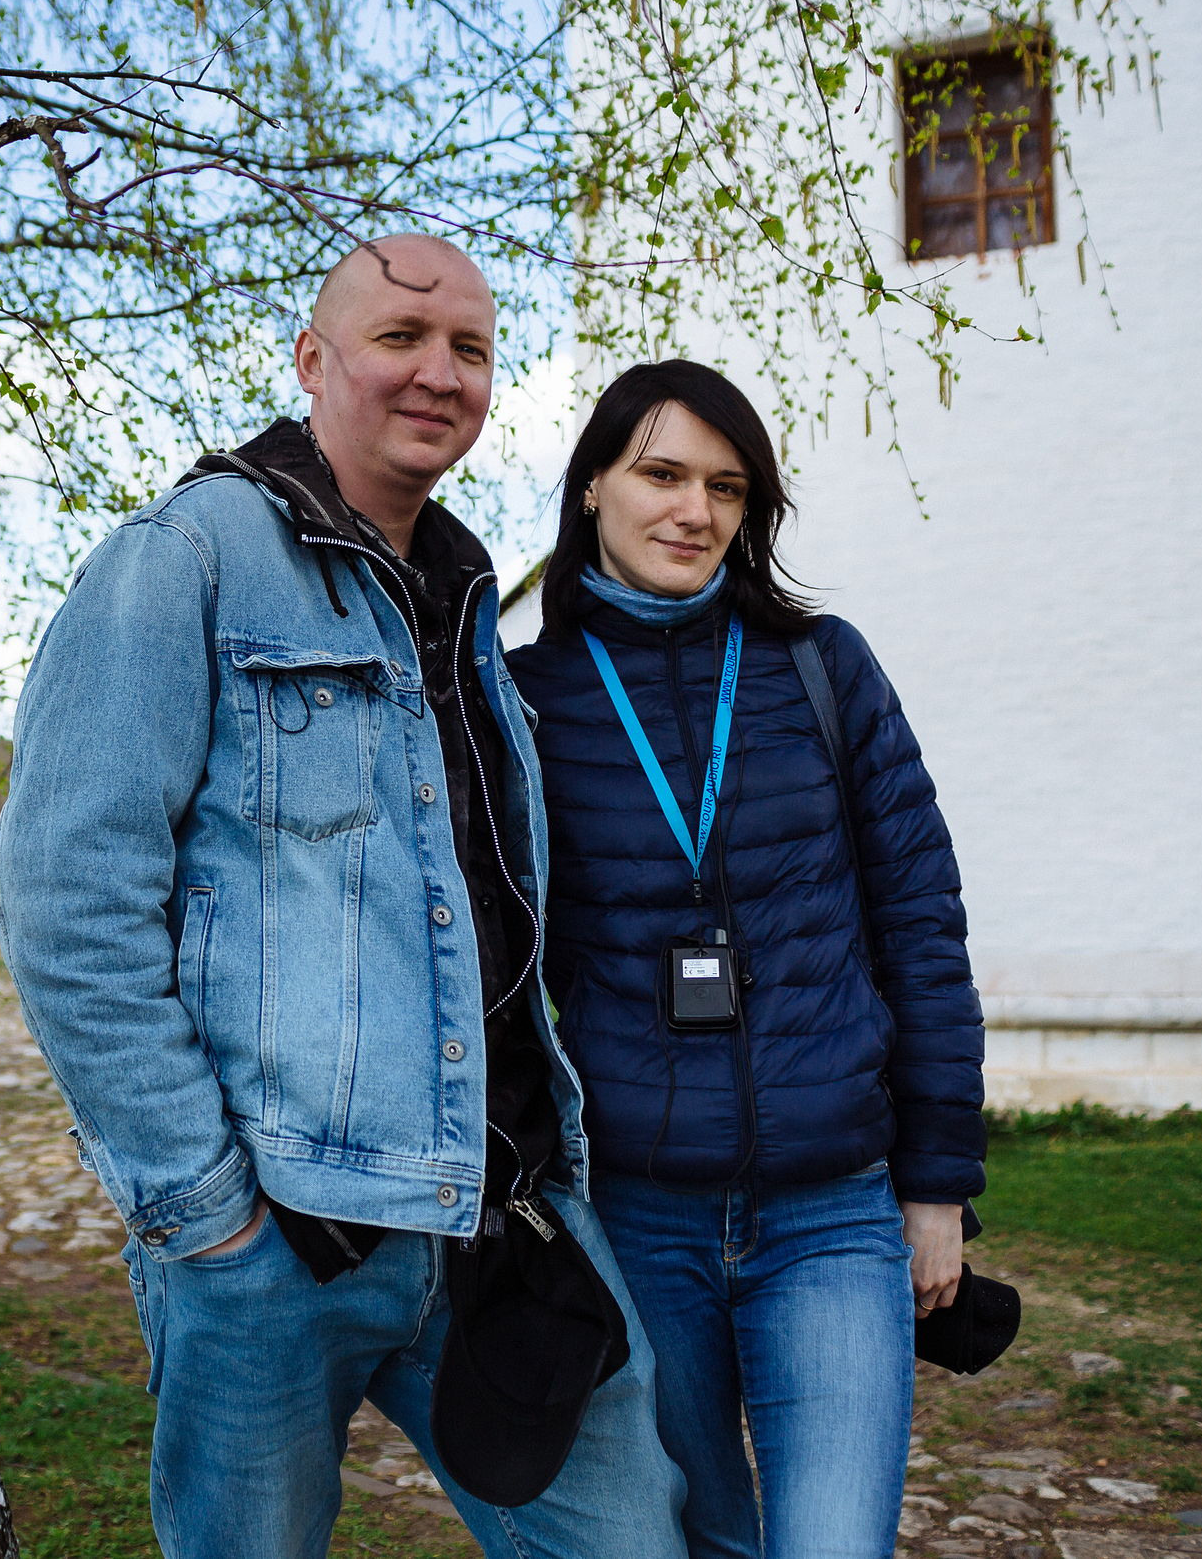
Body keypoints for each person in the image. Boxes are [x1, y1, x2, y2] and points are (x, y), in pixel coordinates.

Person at [0, 235, 685, 1559]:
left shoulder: (469, 593)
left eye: (471, 348)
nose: (440, 371)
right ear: (314, 361)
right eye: (400, 338)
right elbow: (63, 895)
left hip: (505, 1212)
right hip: (281, 1238)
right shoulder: (183, 559)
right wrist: (205, 1210)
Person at [505, 360, 987, 1559]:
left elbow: (921, 927)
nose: (694, 510)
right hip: (631, 1216)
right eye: (660, 473)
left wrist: (935, 1187)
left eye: (726, 485)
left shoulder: (823, 667)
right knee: (703, 1538)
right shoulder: (522, 700)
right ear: (590, 491)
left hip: (830, 1212)